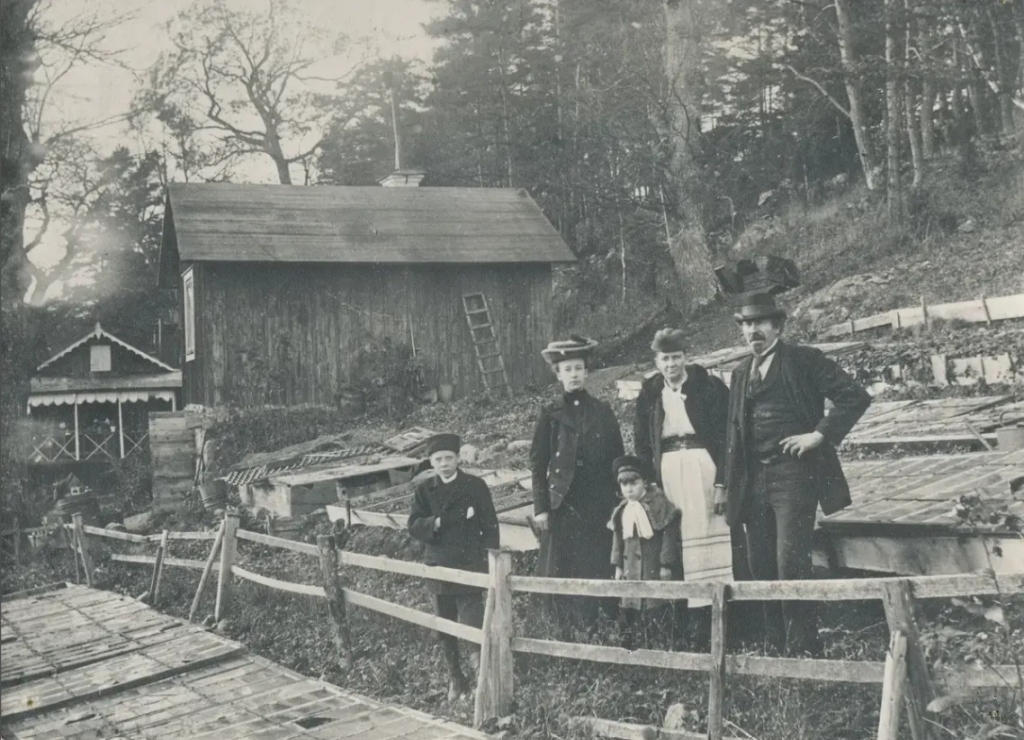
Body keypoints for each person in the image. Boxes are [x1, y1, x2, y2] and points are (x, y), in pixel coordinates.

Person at [722, 292, 870, 656]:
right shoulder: (741, 373)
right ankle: (776, 644)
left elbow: (855, 396)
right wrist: (728, 483)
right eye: (746, 324)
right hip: (755, 480)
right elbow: (734, 433)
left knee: (791, 562)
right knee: (761, 564)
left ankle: (804, 647)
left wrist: (818, 436)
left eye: (760, 323)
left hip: (794, 477)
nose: (752, 330)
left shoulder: (805, 360)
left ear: (777, 326)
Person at [633, 327, 739, 647]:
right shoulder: (650, 394)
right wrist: (650, 483)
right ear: (657, 361)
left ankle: (716, 621)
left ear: (685, 357)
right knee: (674, 539)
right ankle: (682, 628)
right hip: (667, 470)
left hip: (703, 469)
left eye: (676, 357)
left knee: (708, 540)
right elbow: (641, 443)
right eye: (665, 358)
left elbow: (727, 438)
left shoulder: (708, 387)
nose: (671, 364)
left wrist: (723, 481)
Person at [530, 335, 625, 634]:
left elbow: (617, 458)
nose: (573, 375)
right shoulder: (550, 415)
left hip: (598, 500)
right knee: (563, 565)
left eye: (578, 368)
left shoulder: (603, 411)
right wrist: (542, 508)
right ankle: (566, 630)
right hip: (565, 503)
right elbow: (538, 463)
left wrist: (620, 501)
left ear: (586, 372)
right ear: (558, 374)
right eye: (567, 369)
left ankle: (599, 624)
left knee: (597, 561)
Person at [408, 432, 500, 700]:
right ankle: (456, 680)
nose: (444, 463)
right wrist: (434, 524)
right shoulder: (424, 490)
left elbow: (490, 525)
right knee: (445, 623)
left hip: (469, 564)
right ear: (431, 462)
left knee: (473, 622)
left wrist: (490, 559)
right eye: (438, 459)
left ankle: (482, 681)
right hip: (438, 565)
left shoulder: (475, 486)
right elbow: (413, 525)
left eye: (449, 457)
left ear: (458, 458)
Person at [607, 455, 682, 649]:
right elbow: (618, 538)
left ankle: (660, 647)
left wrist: (666, 564)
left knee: (655, 605)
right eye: (624, 484)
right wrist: (617, 566)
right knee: (630, 606)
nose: (629, 489)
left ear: (644, 482)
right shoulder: (622, 510)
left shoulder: (658, 503)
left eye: (633, 483)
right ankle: (630, 651)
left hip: (652, 567)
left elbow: (668, 533)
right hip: (630, 568)